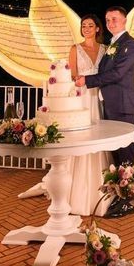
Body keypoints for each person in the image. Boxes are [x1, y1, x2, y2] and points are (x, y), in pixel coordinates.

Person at [18, 14, 110, 216]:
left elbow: (108, 72)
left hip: (98, 97)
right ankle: (74, 192)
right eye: (83, 25)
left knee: (97, 134)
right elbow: (73, 75)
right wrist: (86, 80)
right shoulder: (75, 49)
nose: (86, 28)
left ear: (97, 29)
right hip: (81, 95)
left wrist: (97, 81)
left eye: (90, 25)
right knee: (81, 134)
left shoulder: (105, 50)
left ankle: (100, 187)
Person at [76, 6, 134, 217]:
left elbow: (118, 73)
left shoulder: (129, 44)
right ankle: (120, 195)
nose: (111, 23)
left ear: (124, 21)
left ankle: (128, 201)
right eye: (108, 20)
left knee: (126, 154)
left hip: (123, 106)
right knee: (116, 154)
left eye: (114, 19)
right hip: (110, 105)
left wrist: (88, 81)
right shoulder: (112, 44)